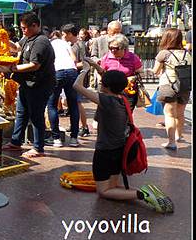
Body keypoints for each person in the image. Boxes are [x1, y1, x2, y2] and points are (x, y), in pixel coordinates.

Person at [73, 68, 173, 213]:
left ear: (105, 86)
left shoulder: (107, 101)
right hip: (120, 149)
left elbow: (76, 86)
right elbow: (111, 81)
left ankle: (143, 194)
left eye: (102, 82)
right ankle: (146, 192)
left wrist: (85, 70)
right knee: (112, 186)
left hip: (105, 151)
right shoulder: (123, 98)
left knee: (103, 191)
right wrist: (96, 66)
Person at [0, 13, 56, 159]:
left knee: (36, 116)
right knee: (21, 113)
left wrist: (11, 69)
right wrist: (3, 37)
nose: (23, 31)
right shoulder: (29, 38)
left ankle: (38, 147)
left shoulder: (41, 41)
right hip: (26, 83)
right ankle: (16, 142)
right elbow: (16, 47)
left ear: (35, 26)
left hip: (39, 84)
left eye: (24, 28)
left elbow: (34, 65)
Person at [151, 28, 192, 150]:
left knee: (170, 115)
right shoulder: (187, 53)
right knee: (180, 114)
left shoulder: (164, 53)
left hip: (168, 86)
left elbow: (155, 71)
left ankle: (171, 142)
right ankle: (179, 135)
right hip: (185, 87)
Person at [86, 34, 143, 110]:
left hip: (128, 91)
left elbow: (139, 71)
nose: (113, 50)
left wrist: (132, 78)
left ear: (124, 48)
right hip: (110, 91)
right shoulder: (107, 57)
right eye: (110, 48)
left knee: (126, 114)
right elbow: (102, 72)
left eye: (116, 48)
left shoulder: (132, 57)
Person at [45, 29, 80, 147]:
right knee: (73, 104)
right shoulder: (65, 43)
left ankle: (56, 139)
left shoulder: (48, 44)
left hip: (57, 72)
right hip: (71, 71)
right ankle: (74, 138)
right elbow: (74, 59)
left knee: (52, 104)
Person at [64, 24, 91, 137]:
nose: (63, 36)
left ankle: (85, 127)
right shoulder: (71, 45)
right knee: (70, 102)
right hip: (72, 77)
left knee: (77, 103)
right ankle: (74, 124)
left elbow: (85, 62)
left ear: (70, 34)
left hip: (79, 77)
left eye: (65, 34)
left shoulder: (80, 45)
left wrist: (71, 65)